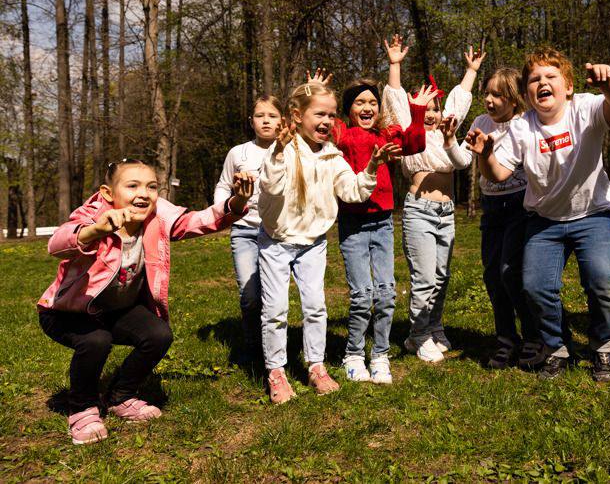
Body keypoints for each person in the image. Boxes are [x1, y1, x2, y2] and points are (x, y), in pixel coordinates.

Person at [38, 159, 253, 444]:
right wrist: (95, 231)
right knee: (96, 340)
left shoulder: (158, 214)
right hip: (67, 311)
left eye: (151, 186)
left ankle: (120, 397)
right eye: (132, 186)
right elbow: (56, 244)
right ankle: (82, 408)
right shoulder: (94, 215)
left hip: (115, 310)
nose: (144, 193)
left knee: (158, 335)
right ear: (107, 193)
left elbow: (199, 221)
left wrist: (236, 201)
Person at [467, 47, 610, 382]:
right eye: (534, 79)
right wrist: (484, 154)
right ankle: (555, 348)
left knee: (603, 281)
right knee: (534, 287)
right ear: (527, 92)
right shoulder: (522, 127)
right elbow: (497, 174)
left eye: (550, 77)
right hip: (544, 222)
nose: (542, 82)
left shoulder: (585, 108)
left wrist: (609, 81)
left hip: (593, 214)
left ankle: (604, 347)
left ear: (567, 86)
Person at [257, 81, 399, 403]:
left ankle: (316, 365)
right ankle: (276, 371)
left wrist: (373, 166)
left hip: (312, 243)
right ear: (297, 116)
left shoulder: (333, 156)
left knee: (316, 307)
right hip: (277, 242)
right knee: (277, 309)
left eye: (331, 115)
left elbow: (353, 191)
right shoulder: (282, 150)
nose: (326, 121)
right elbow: (271, 187)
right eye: (319, 113)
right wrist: (279, 151)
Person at [381, 35, 482, 364]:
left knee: (441, 276)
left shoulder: (446, 133)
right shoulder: (412, 130)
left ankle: (434, 327)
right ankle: (417, 335)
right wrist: (395, 64)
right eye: (426, 108)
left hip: (446, 212)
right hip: (419, 212)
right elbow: (396, 100)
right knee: (423, 278)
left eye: (436, 108)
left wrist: (471, 71)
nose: (432, 113)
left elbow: (460, 100)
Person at [441, 66, 543, 369]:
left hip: (520, 207)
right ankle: (506, 339)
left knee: (511, 273)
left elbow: (512, 171)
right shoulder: (481, 122)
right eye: (487, 92)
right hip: (492, 207)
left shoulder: (524, 124)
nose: (488, 99)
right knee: (492, 276)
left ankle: (534, 337)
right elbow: (462, 160)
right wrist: (449, 140)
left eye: (497, 94)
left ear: (514, 100)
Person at [335, 76, 434, 384]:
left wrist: (417, 112)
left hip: (382, 223)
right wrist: (314, 93)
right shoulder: (342, 133)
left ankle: (379, 355)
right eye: (360, 102)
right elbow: (317, 125)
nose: (367, 108)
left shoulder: (385, 135)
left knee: (387, 293)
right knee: (363, 295)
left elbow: (416, 142)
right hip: (353, 225)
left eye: (373, 103)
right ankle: (353, 353)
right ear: (349, 108)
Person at [214, 95, 282, 360]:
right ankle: (253, 348)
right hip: (244, 231)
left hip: (277, 233)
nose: (266, 120)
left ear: (282, 121)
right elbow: (222, 185)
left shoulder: (288, 150)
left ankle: (274, 349)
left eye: (272, 115)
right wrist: (224, 211)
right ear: (251, 121)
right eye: (260, 115)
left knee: (273, 295)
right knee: (251, 295)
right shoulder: (238, 153)